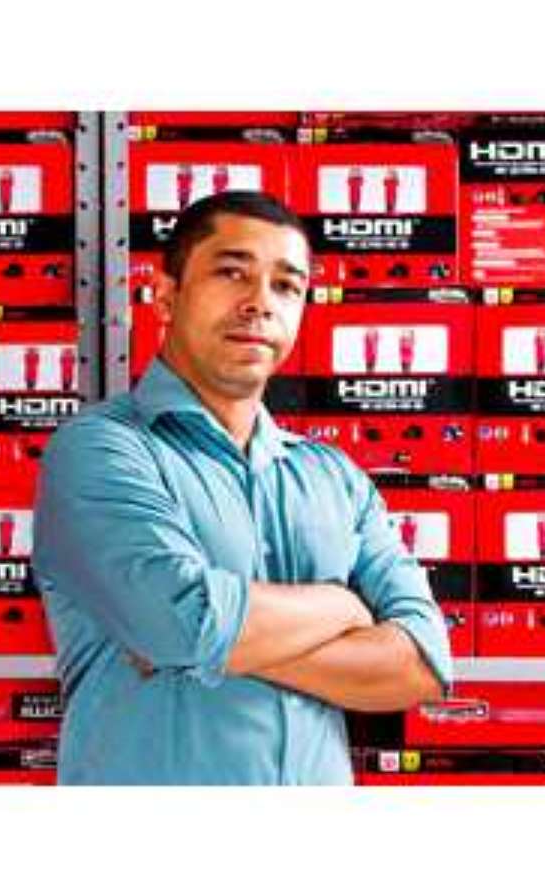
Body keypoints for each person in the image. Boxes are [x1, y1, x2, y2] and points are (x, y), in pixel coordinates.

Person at [32, 191, 452, 785]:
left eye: (286, 286)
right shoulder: (99, 450)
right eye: (232, 273)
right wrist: (343, 606)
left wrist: (212, 645)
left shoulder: (334, 477)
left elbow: (422, 665)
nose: (260, 303)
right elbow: (184, 625)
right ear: (166, 295)